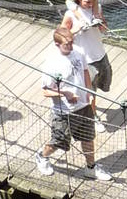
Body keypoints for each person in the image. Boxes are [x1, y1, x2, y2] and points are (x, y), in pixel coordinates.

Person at [37, 25, 111, 181]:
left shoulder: (79, 52)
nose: (70, 46)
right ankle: (42, 156)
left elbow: (85, 71)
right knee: (59, 141)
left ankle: (90, 167)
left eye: (71, 42)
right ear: (57, 45)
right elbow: (45, 91)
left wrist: (89, 93)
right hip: (64, 111)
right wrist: (64, 93)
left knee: (88, 137)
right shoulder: (52, 63)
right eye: (66, 44)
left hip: (83, 106)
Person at [62, 0, 111, 96]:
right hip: (85, 59)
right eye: (87, 2)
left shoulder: (97, 8)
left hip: (100, 54)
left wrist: (100, 22)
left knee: (104, 83)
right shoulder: (70, 14)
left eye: (92, 1)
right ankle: (92, 112)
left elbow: (104, 29)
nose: (90, 5)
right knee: (90, 91)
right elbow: (61, 35)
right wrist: (75, 29)